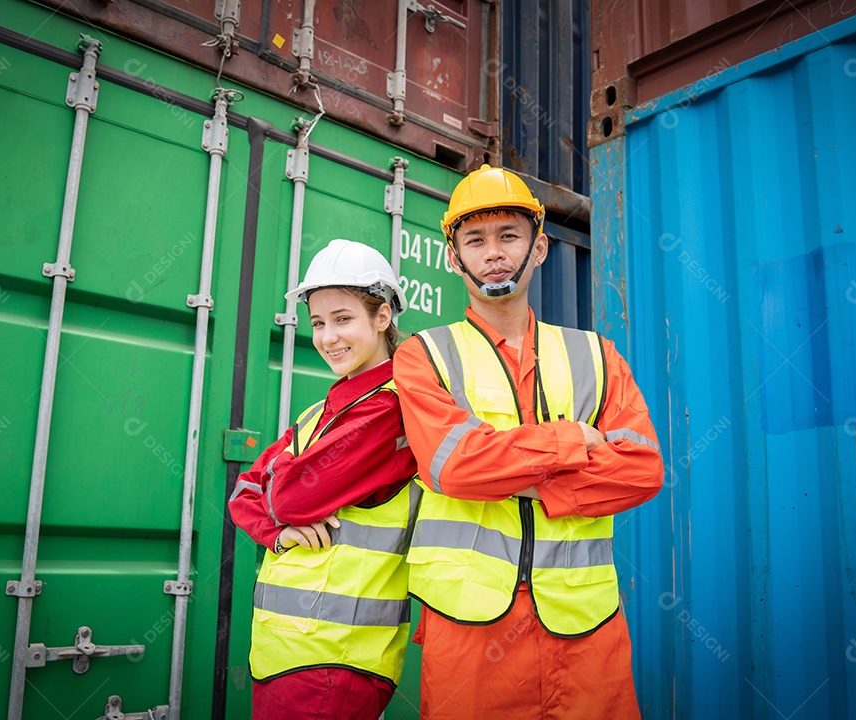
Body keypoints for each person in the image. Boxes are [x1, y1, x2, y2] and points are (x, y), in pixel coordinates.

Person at [393, 165, 664, 719]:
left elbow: (642, 470)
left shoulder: (596, 354)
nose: (493, 253)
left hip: (585, 629)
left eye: (509, 236)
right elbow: (456, 468)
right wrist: (570, 442)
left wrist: (525, 482)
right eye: (475, 239)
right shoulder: (423, 356)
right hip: (471, 633)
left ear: (539, 248)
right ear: (453, 256)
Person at [228, 239, 419, 720]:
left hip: (336, 662)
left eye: (343, 318)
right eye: (317, 322)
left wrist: (280, 499)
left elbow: (290, 494)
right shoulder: (322, 411)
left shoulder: (390, 407)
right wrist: (275, 531)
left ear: (382, 318)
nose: (327, 336)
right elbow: (245, 491)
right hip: (288, 655)